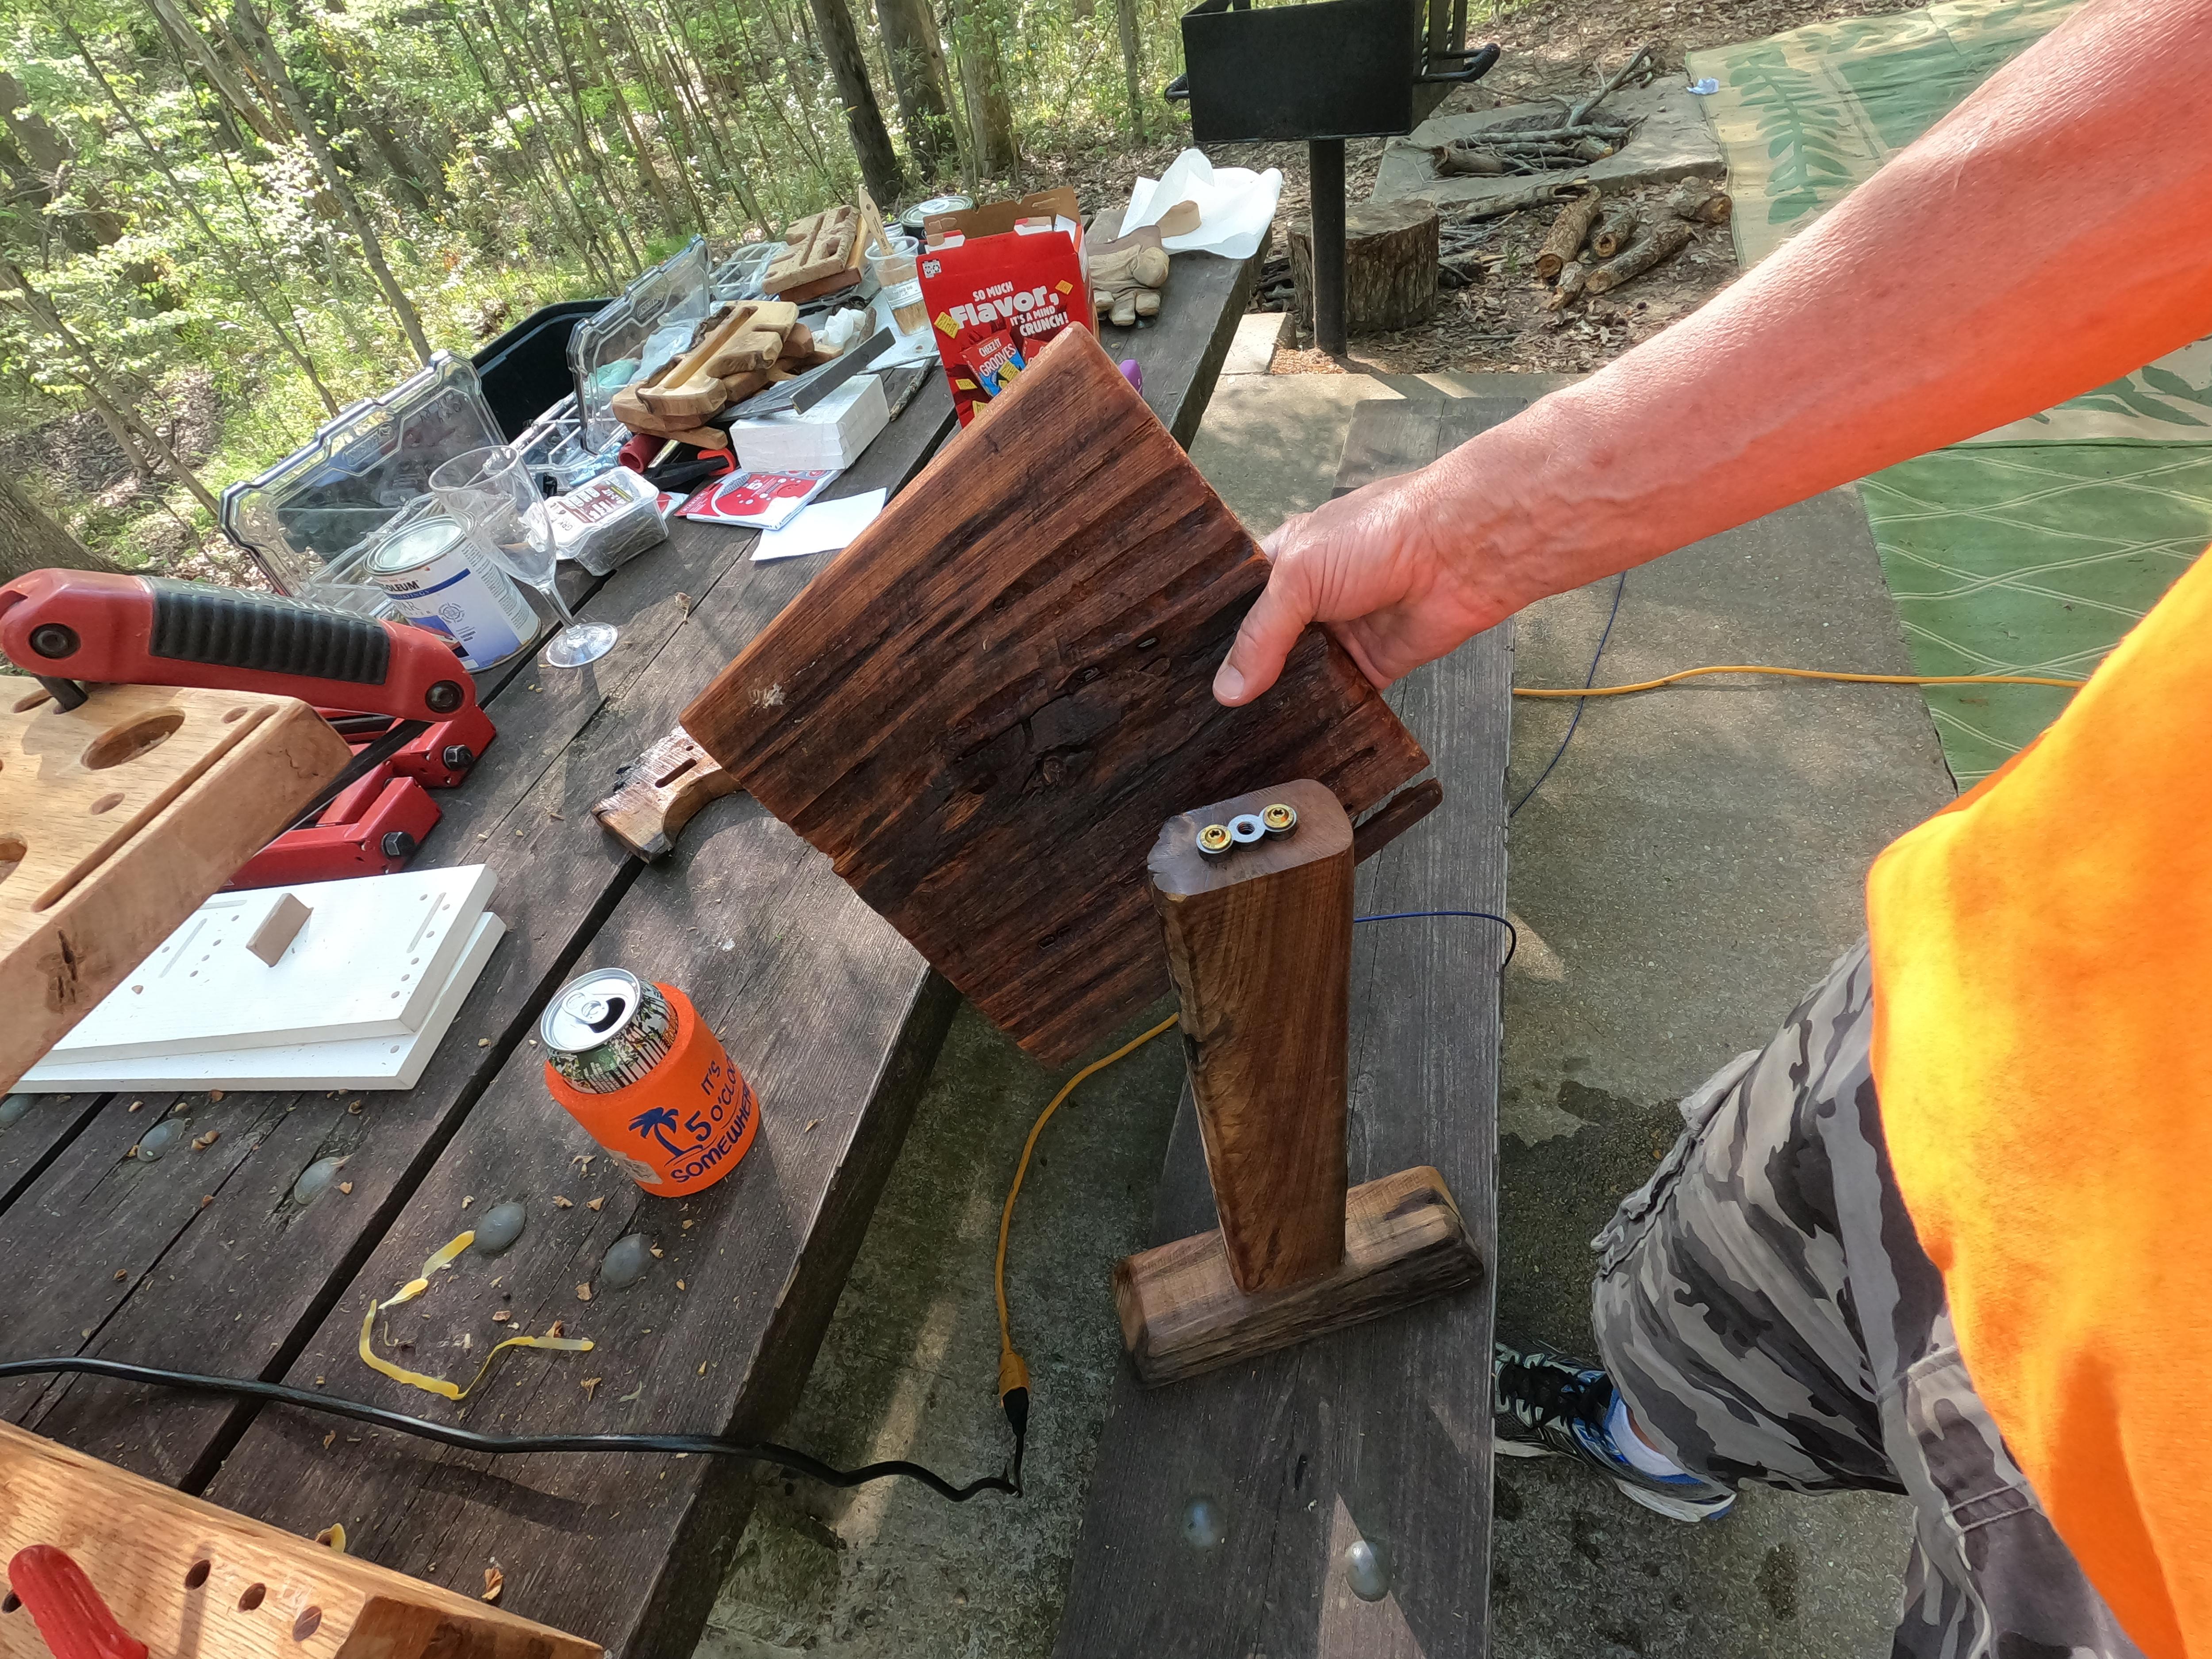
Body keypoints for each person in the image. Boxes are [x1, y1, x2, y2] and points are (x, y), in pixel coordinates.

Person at [1209, 2, 2212, 1656]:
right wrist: (1472, 531)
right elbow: (2163, 119)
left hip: (2141, 1514)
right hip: (2005, 973)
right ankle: (1654, 1441)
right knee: (1682, 1306)